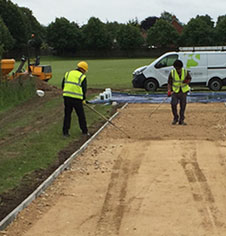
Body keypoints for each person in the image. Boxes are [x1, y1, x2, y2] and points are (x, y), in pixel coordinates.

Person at [62, 61, 90, 137]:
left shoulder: (68, 73)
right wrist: (83, 99)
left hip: (66, 97)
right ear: (83, 70)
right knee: (81, 115)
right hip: (77, 99)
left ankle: (65, 132)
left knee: (67, 115)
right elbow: (84, 89)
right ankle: (84, 131)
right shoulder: (82, 77)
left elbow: (63, 84)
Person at [167, 59, 192, 125]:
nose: (177, 70)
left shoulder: (185, 72)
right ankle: (175, 118)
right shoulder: (172, 73)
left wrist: (186, 81)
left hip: (183, 91)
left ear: (181, 67)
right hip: (175, 91)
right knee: (173, 104)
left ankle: (181, 120)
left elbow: (189, 78)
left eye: (179, 69)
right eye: (176, 68)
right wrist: (169, 90)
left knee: (183, 106)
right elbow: (169, 82)